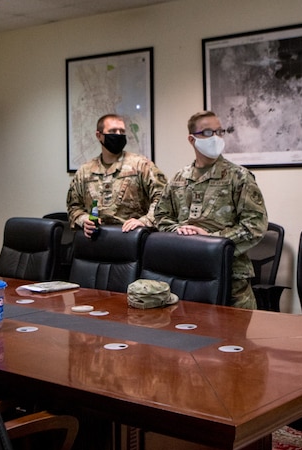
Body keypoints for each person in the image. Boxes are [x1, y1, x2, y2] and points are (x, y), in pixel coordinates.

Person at [154, 110, 268, 309]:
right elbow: (161, 216)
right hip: (187, 275)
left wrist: (211, 239)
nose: (215, 138)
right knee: (189, 335)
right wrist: (178, 232)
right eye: (207, 133)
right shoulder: (179, 178)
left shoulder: (238, 177)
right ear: (192, 139)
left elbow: (255, 225)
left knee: (234, 338)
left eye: (219, 131)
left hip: (231, 279)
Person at [66, 113, 167, 238]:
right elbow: (74, 206)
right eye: (113, 131)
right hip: (95, 241)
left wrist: (144, 221)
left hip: (132, 239)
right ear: (99, 136)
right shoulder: (85, 171)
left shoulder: (141, 165)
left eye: (122, 131)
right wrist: (84, 220)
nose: (118, 135)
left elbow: (163, 199)